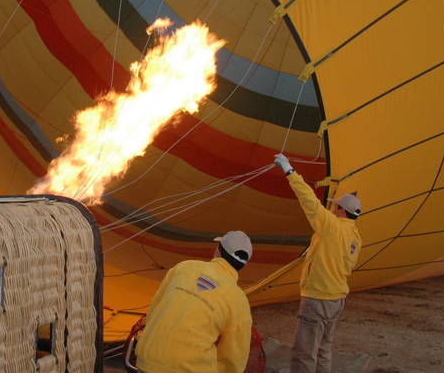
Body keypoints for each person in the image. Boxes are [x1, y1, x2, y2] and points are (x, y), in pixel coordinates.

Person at [274, 153, 362, 373]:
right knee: (323, 349)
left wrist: (289, 171)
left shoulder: (332, 226)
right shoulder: (355, 237)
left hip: (318, 299)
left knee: (303, 353)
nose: (331, 209)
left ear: (341, 211)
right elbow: (347, 266)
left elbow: (310, 202)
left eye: (335, 207)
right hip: (336, 299)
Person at [135, 230, 254, 373]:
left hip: (146, 361)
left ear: (217, 252)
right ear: (244, 265)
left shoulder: (184, 267)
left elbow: (155, 309)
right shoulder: (239, 300)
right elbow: (234, 358)